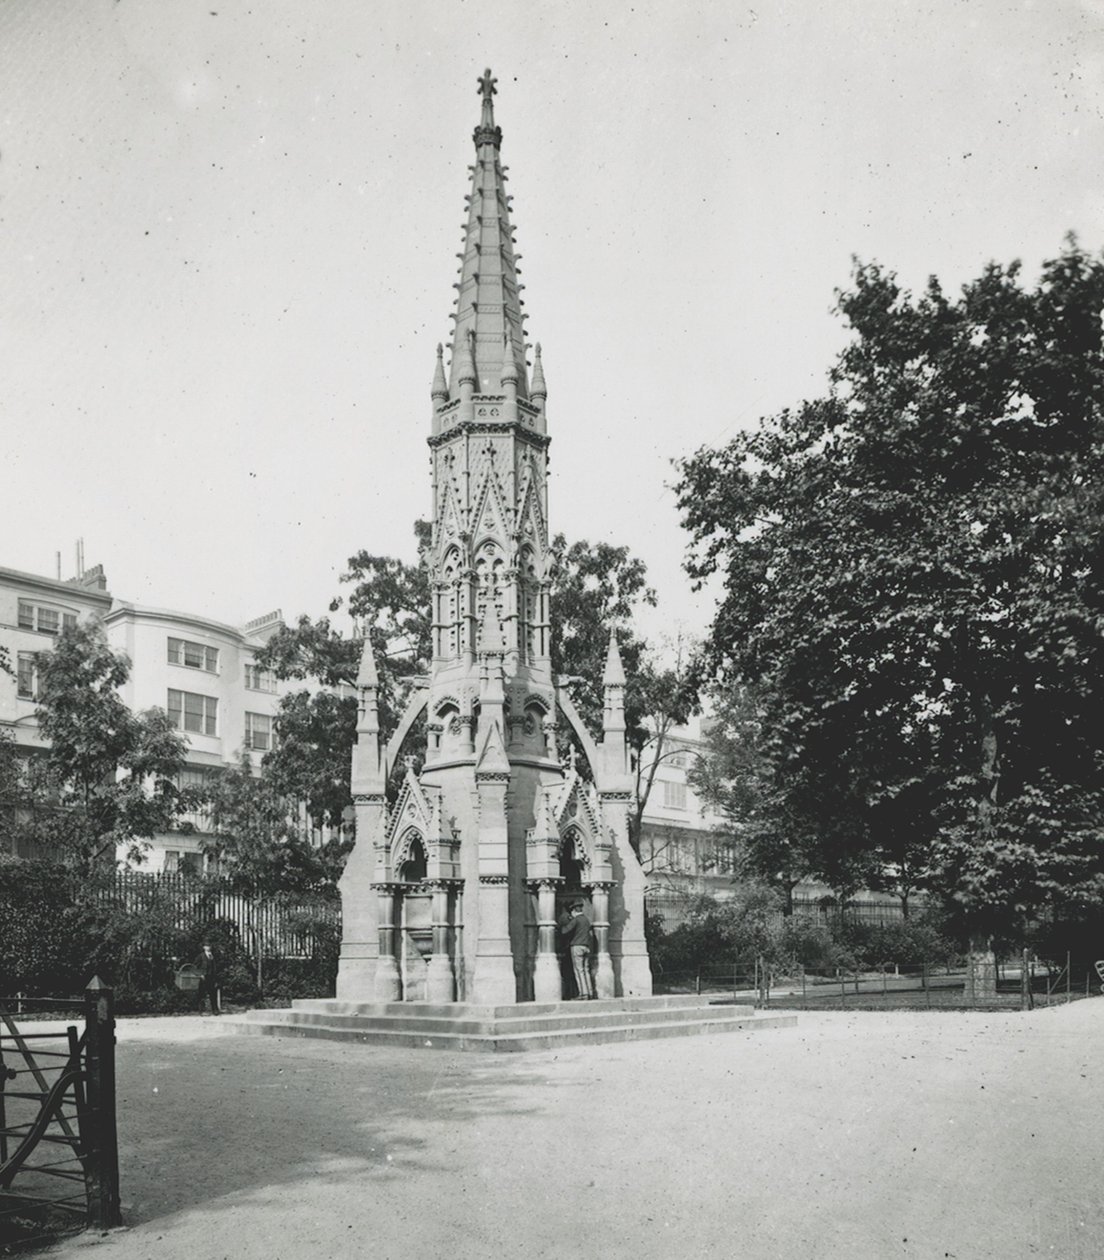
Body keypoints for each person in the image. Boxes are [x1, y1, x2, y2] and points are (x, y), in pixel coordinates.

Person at [559, 901, 595, 1000]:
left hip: (577, 946)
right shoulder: (586, 920)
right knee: (586, 970)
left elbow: (565, 930)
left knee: (579, 971)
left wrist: (562, 925)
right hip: (586, 946)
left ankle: (583, 993)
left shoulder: (576, 920)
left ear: (574, 910)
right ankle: (590, 992)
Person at [194, 941, 220, 1015]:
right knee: (202, 994)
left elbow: (215, 967)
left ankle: (215, 1010)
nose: (208, 947)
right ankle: (201, 1010)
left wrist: (216, 977)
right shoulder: (201, 956)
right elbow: (195, 966)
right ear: (204, 947)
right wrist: (200, 974)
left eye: (209, 946)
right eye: (207, 946)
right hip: (204, 978)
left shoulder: (212, 956)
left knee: (213, 994)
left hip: (212, 977)